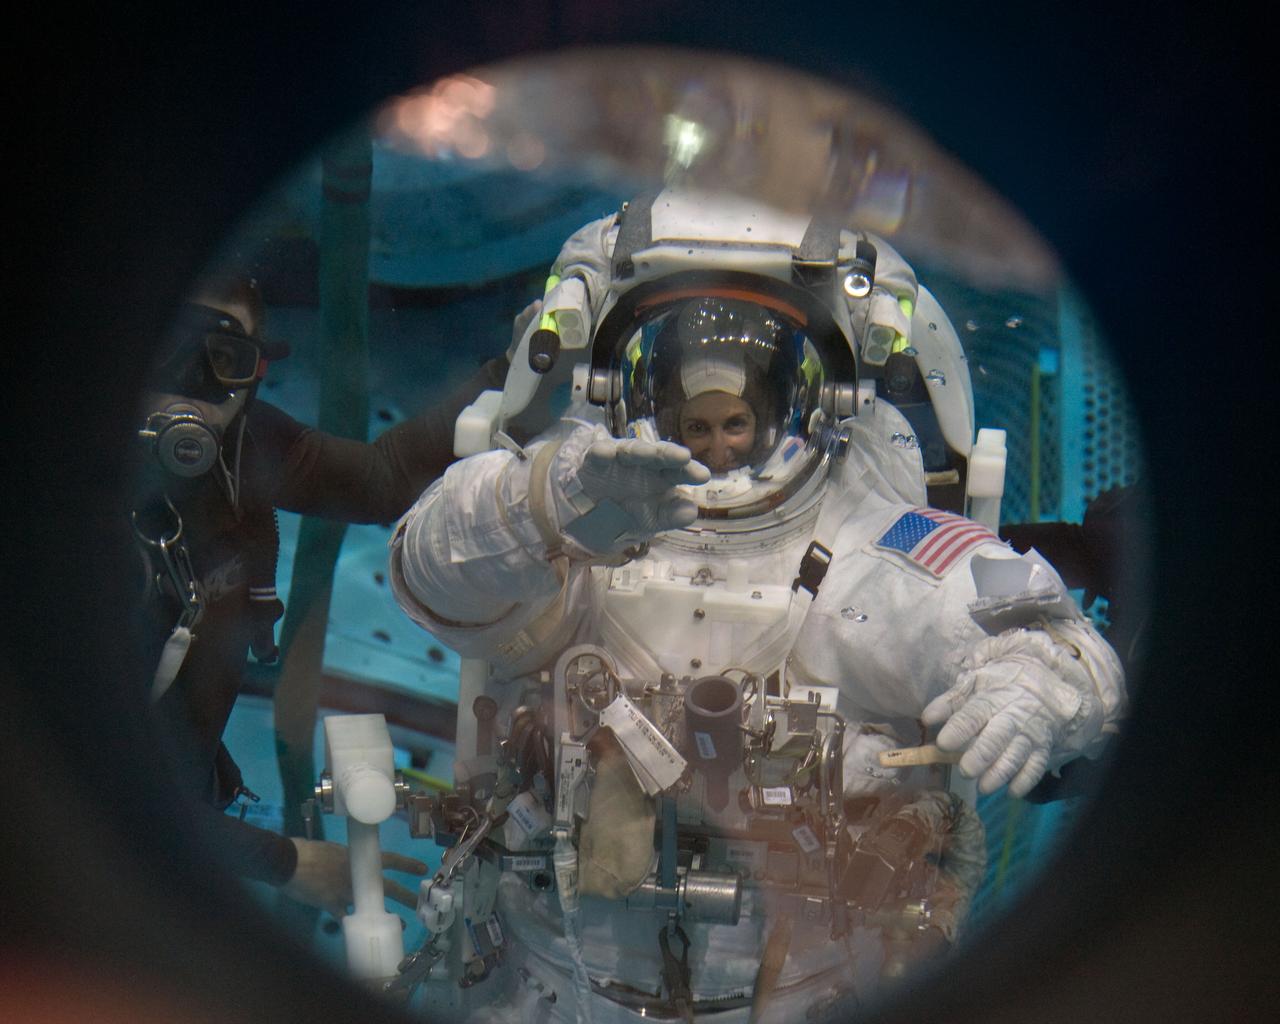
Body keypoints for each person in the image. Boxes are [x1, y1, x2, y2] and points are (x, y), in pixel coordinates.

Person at [386, 190, 1126, 1021]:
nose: (716, 450)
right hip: (548, 972)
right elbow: (428, 568)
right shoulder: (574, 505)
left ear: (804, 406)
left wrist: (1034, 682)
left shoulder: (872, 540)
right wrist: (547, 504)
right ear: (629, 393)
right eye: (692, 425)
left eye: (737, 424)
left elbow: (1024, 616)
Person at [131, 270, 511, 916]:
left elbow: (381, 478)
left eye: (221, 360)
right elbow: (81, 781)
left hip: (173, 810)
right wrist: (287, 864)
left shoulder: (242, 445)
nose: (191, 387)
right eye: (170, 350)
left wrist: (515, 366)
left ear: (254, 374)